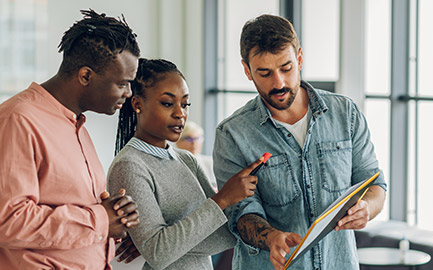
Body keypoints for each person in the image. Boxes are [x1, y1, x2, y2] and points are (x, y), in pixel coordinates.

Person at [212, 14, 387, 270]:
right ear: (247, 71)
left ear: (300, 59)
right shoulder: (232, 134)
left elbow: (374, 183)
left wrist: (367, 209)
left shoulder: (345, 114)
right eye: (265, 73)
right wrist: (272, 238)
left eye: (286, 68)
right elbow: (240, 213)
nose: (279, 83)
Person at [0, 10, 140, 269]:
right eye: (122, 83)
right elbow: (8, 220)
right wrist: (100, 219)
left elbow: (75, 211)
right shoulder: (18, 119)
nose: (129, 94)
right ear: (85, 76)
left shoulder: (77, 124)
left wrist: (115, 215)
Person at [108, 58, 265, 270]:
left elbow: (224, 237)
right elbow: (158, 254)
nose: (180, 113)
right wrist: (221, 199)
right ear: (137, 104)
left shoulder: (187, 160)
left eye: (185, 104)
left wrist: (160, 243)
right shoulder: (129, 166)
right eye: (167, 103)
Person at [176, 121, 218, 191]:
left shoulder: (211, 162)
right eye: (188, 139)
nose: (194, 143)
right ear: (178, 141)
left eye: (197, 138)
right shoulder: (172, 164)